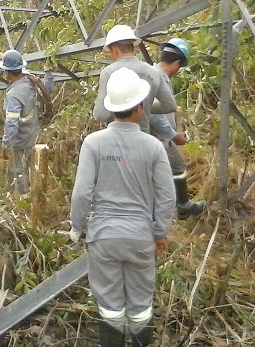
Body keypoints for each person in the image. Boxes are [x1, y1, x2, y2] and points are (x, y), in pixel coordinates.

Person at [70, 67, 175, 347]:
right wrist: (160, 232)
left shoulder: (93, 143)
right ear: (140, 107)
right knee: (141, 305)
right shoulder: (153, 146)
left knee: (109, 306)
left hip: (103, 237)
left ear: (111, 108)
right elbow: (167, 196)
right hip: (141, 237)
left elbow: (81, 193)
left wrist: (77, 227)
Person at [149, 38, 205, 220]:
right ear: (176, 64)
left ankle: (175, 206)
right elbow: (153, 114)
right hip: (158, 138)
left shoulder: (157, 76)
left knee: (169, 169)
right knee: (175, 168)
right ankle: (178, 206)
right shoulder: (157, 78)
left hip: (161, 137)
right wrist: (173, 134)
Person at [92, 24, 176, 134]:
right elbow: (169, 105)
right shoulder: (153, 71)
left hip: (117, 137)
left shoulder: (108, 72)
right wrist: (144, 107)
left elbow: (100, 115)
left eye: (110, 51)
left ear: (115, 49)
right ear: (133, 46)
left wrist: (119, 107)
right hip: (144, 136)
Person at [0, 49, 54, 196]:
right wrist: (48, 73)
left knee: (17, 171)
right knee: (32, 169)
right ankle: (35, 196)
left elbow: (11, 124)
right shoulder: (30, 82)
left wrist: (6, 146)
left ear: (6, 72)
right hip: (33, 134)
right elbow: (47, 89)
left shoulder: (14, 95)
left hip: (20, 141)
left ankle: (23, 199)